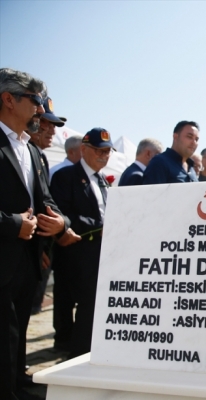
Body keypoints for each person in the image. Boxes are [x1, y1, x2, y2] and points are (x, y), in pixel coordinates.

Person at [0, 68, 67, 400]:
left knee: (18, 335)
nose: (41, 109)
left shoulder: (33, 151)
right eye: (36, 100)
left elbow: (47, 201)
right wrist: (14, 224)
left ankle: (18, 384)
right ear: (8, 100)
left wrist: (61, 223)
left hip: (27, 264)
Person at [50, 128, 114, 358]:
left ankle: (88, 354)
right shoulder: (65, 176)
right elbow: (63, 214)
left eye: (107, 151)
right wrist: (100, 225)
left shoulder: (102, 181)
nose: (104, 156)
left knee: (94, 310)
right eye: (99, 150)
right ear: (84, 149)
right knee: (85, 311)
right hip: (77, 254)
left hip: (100, 255)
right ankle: (77, 356)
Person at [30, 97, 67, 315]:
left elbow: (45, 205)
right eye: (45, 122)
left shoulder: (39, 156)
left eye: (53, 125)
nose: (52, 130)